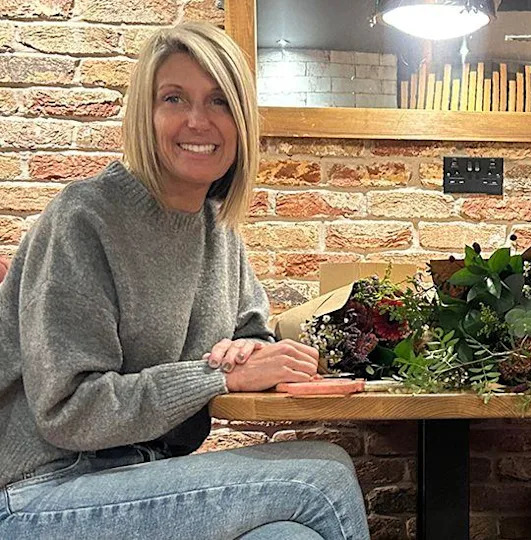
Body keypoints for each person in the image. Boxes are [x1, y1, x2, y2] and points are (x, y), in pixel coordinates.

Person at [0, 22, 370, 539]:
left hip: (146, 474)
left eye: (219, 102)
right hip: (42, 490)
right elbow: (70, 412)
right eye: (174, 98)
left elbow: (251, 330)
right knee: (324, 476)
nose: (199, 120)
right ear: (145, 117)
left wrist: (250, 352)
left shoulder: (217, 230)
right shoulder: (83, 219)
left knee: (293, 537)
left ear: (241, 123)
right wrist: (215, 376)